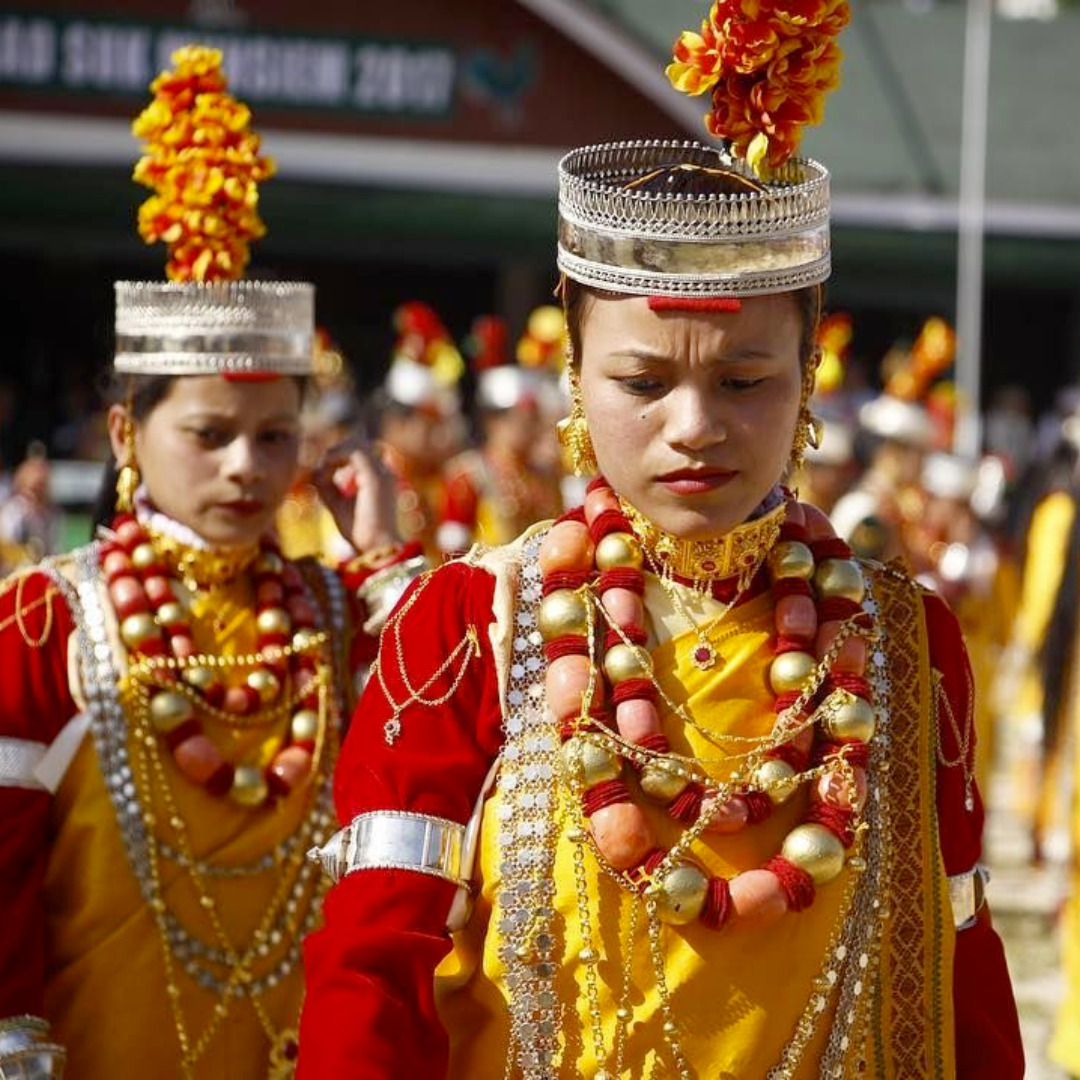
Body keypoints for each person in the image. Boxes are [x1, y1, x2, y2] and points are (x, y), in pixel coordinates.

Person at [299, 6, 1022, 1077]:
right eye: (644, 382)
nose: (697, 427)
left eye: (744, 381)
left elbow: (965, 968)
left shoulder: (906, 643)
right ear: (577, 380)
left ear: (809, 382)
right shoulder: (470, 626)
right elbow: (370, 973)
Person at [0, 47, 425, 1080]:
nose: (247, 466)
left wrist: (381, 561)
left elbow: (459, 741)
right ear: (123, 433)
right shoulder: (44, 624)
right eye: (210, 432)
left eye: (275, 436)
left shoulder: (337, 612)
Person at [437, 314, 563, 556]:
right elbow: (451, 552)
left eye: (536, 417)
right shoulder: (469, 475)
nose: (533, 426)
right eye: (525, 418)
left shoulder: (546, 474)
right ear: (494, 421)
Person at [375, 301, 465, 561]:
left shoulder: (440, 478)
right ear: (397, 423)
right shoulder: (375, 476)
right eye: (430, 423)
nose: (442, 435)